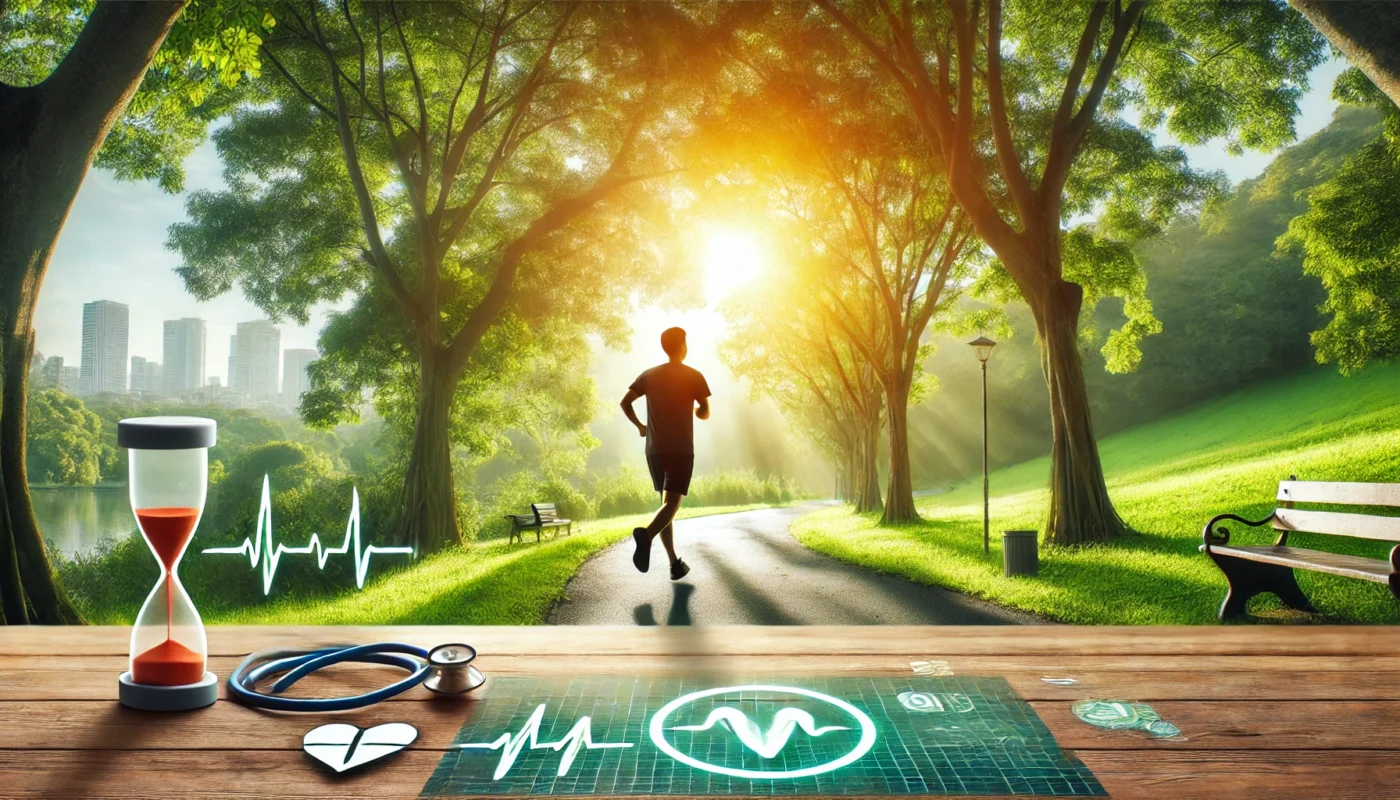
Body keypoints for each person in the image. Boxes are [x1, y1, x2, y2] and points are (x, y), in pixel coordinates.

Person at [620, 327, 710, 580]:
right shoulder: (694, 376)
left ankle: (674, 564)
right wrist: (697, 411)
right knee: (672, 504)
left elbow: (625, 403)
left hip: (654, 450)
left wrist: (640, 427)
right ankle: (645, 536)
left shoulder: (648, 376)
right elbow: (704, 411)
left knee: (665, 506)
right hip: (680, 449)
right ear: (683, 345)